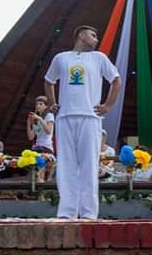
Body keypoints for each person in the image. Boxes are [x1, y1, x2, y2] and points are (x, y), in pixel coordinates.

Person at [44, 25, 121, 219]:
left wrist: (107, 106)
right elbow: (49, 80)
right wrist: (52, 103)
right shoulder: (61, 58)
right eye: (93, 35)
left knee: (89, 165)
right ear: (81, 35)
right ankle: (67, 212)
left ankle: (88, 214)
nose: (96, 39)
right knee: (66, 164)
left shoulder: (99, 57)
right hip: (65, 117)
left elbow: (116, 80)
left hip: (90, 117)